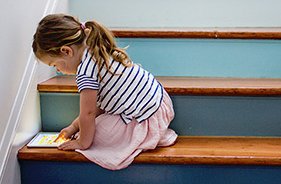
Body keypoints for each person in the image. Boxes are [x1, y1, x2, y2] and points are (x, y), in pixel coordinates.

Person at [32, 14, 177, 170]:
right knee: (90, 127)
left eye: (55, 64)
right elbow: (99, 106)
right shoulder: (95, 49)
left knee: (94, 137)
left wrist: (83, 143)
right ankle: (154, 134)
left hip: (145, 115)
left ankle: (148, 136)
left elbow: (88, 113)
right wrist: (73, 127)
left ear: (67, 51)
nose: (58, 70)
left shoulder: (85, 73)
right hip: (158, 102)